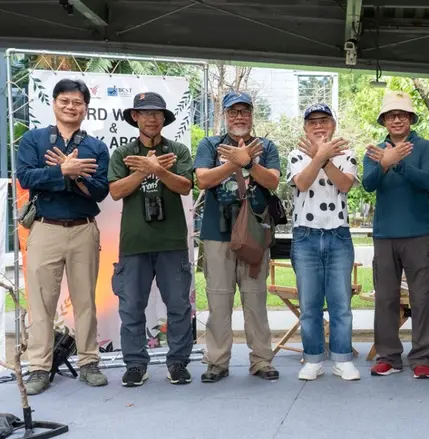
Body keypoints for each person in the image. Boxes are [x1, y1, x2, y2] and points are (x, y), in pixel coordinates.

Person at [16, 78, 109, 395]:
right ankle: (39, 368)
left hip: (83, 227)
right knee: (41, 303)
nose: (71, 106)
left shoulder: (95, 147)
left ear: (86, 107)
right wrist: (61, 172)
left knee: (86, 302)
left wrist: (79, 175)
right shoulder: (34, 139)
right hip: (45, 227)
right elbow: (27, 177)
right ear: (54, 103)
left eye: (78, 102)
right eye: (65, 100)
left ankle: (89, 362)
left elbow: (101, 191)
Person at [108, 92, 194, 387]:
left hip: (171, 242)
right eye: (145, 113)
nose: (151, 118)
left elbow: (185, 186)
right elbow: (116, 191)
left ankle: (179, 362)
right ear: (135, 117)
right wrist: (143, 172)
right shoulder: (123, 154)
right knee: (131, 306)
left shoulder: (178, 150)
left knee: (179, 306)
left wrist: (158, 170)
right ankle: (135, 363)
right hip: (134, 243)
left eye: (157, 113)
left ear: (164, 118)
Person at [194, 91, 281, 383]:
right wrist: (235, 162)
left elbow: (272, 180)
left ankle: (261, 360)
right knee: (218, 301)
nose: (239, 117)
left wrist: (249, 163)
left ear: (252, 116)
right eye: (233, 112)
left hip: (255, 232)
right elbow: (203, 180)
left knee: (256, 299)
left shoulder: (266, 146)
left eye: (245, 112)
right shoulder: (210, 144)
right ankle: (217, 362)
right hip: (217, 233)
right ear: (225, 115)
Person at [363, 90, 429, 379]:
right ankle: (388, 356)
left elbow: (428, 182)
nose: (397, 119)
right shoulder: (374, 150)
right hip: (384, 236)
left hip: (418, 234)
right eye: (391, 115)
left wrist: (398, 162)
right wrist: (383, 161)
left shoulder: (426, 147)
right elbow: (368, 185)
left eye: (402, 114)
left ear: (410, 118)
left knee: (422, 297)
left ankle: (422, 356)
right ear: (384, 120)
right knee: (385, 298)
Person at [287, 104, 360, 381]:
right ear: (305, 128)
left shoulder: (347, 154)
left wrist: (326, 158)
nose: (319, 126)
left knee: (341, 303)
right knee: (310, 304)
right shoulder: (296, 154)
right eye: (313, 122)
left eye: (324, 121)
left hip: (339, 234)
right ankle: (313, 359)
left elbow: (344, 185)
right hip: (305, 235)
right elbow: (302, 183)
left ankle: (342, 359)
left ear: (333, 125)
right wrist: (318, 156)